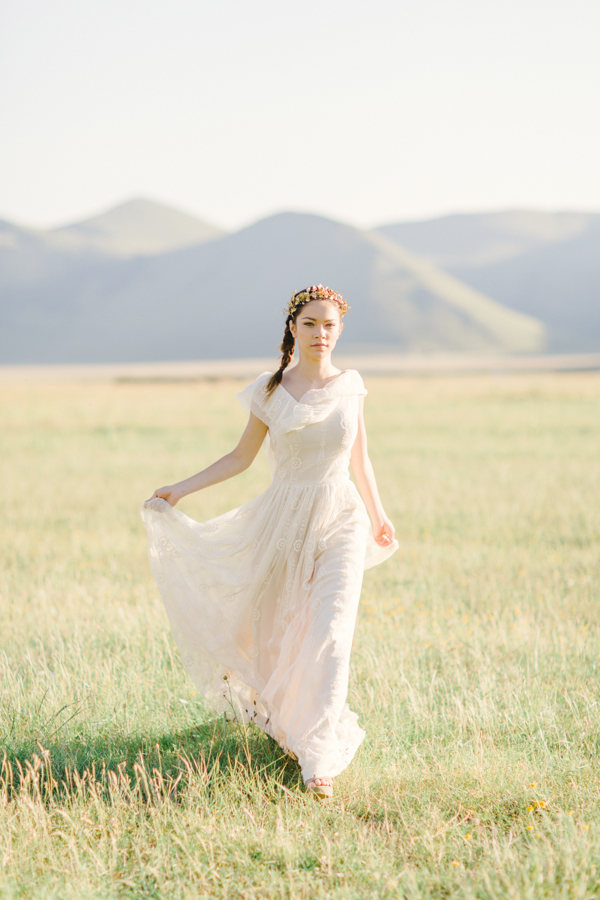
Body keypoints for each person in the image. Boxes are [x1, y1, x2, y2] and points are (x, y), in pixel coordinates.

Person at [142, 284, 398, 799]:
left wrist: (378, 513)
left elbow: (359, 458)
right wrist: (182, 488)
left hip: (341, 516)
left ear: (340, 329)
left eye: (329, 325)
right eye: (310, 324)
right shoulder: (269, 390)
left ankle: (319, 758)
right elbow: (240, 458)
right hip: (285, 518)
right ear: (292, 328)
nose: (320, 333)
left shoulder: (352, 384)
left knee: (330, 630)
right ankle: (283, 718)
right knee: (277, 629)